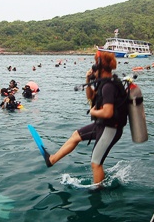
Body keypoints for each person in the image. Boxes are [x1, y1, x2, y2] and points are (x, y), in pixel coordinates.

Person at [42, 51, 127, 184]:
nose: (92, 68)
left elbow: (107, 112)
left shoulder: (109, 86)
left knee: (96, 163)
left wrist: (93, 112)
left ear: (100, 68)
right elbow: (91, 97)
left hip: (110, 128)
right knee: (76, 135)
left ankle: (97, 193)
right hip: (102, 125)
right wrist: (88, 80)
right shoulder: (104, 83)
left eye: (94, 65)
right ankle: (51, 160)